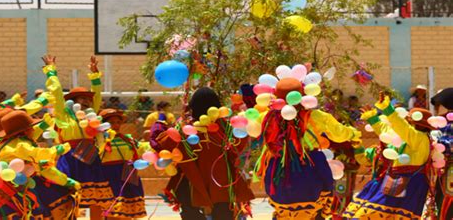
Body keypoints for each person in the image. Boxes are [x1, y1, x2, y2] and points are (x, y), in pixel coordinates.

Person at [254, 78, 362, 219]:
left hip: (279, 169)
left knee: (283, 212)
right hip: (310, 167)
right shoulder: (317, 116)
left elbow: (252, 131)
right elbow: (339, 135)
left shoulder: (266, 117)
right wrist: (354, 133)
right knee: (316, 210)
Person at [152, 87, 255, 219]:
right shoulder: (225, 127)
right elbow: (238, 145)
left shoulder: (184, 126)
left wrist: (159, 125)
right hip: (220, 177)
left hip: (191, 178)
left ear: (193, 106)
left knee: (190, 211)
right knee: (223, 209)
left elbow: (164, 144)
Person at [41, 55, 114, 219]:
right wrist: (51, 70)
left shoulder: (90, 115)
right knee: (72, 196)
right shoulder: (63, 115)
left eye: (89, 99)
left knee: (93, 198)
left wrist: (95, 75)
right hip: (71, 159)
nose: (87, 102)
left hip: (90, 158)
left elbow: (97, 95)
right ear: (73, 101)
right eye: (83, 98)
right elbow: (57, 92)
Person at [344, 93, 432, 219]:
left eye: (408, 121)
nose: (406, 122)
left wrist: (387, 109)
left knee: (373, 213)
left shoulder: (420, 137)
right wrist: (373, 118)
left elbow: (401, 128)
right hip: (400, 179)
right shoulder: (409, 138)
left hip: (408, 181)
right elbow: (388, 132)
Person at [0, 109, 79, 219]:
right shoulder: (21, 145)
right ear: (26, 131)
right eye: (31, 128)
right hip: (16, 188)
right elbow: (38, 154)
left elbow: (32, 140)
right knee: (42, 203)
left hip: (4, 187)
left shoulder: (5, 144)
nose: (33, 130)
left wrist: (44, 125)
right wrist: (61, 148)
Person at [98, 108, 147, 219]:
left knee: (130, 205)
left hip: (129, 172)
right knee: (113, 206)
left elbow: (142, 148)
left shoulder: (128, 139)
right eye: (111, 123)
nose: (115, 125)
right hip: (110, 174)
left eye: (118, 122)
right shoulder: (99, 140)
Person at [430, 88, 453, 220]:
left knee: (444, 202)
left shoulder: (446, 124)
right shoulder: (441, 123)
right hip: (444, 169)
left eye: (439, 105)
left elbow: (448, 145)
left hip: (448, 170)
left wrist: (435, 144)